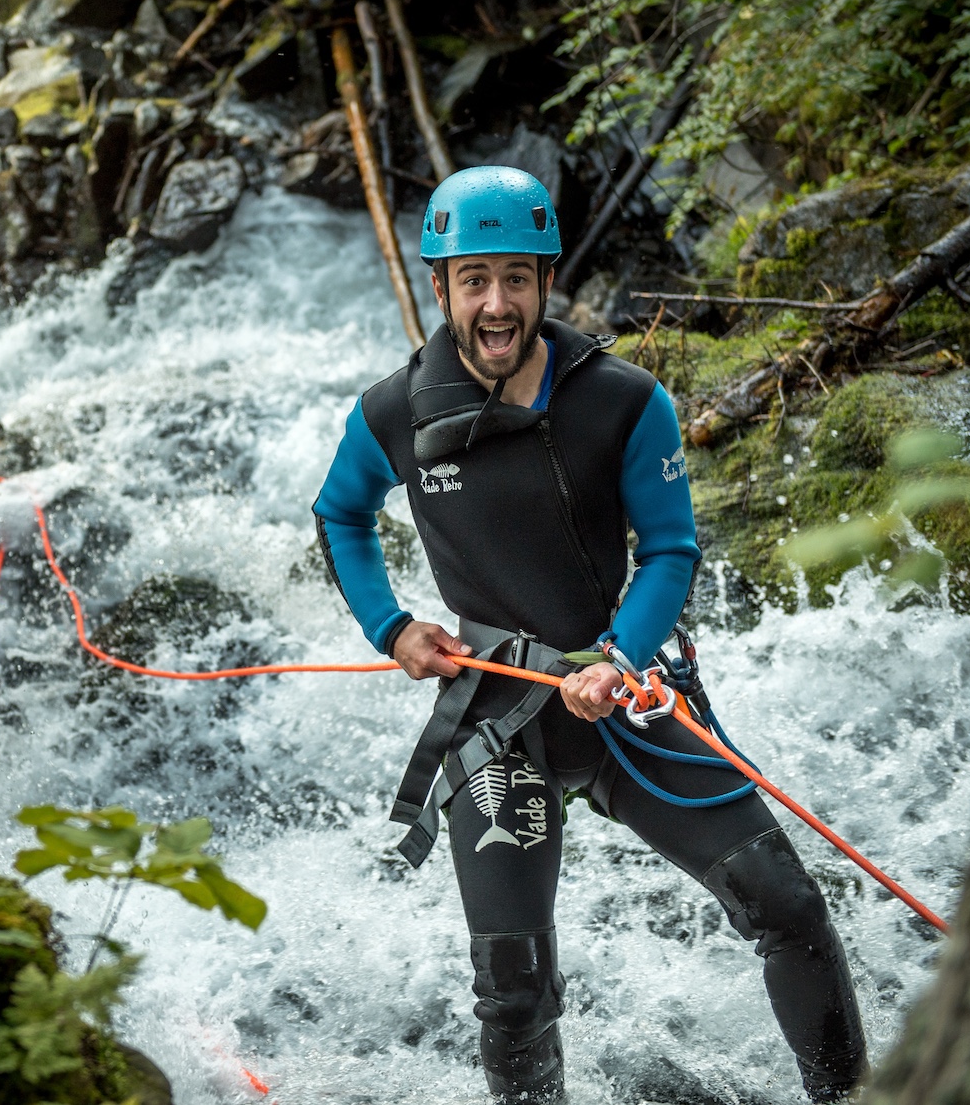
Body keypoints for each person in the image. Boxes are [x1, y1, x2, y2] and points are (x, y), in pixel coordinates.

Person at [311, 166, 867, 1102]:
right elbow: (340, 516)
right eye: (475, 278)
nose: (498, 304)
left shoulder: (622, 399)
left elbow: (670, 549)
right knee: (514, 990)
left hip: (633, 700)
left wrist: (619, 658)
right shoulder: (394, 413)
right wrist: (393, 626)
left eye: (518, 278)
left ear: (546, 281)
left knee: (790, 907)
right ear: (439, 285)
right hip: (499, 721)